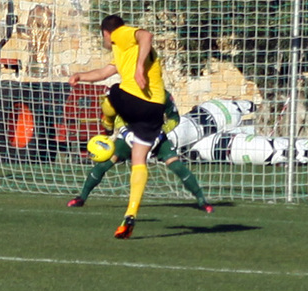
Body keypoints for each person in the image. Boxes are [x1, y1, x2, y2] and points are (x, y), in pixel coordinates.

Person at [68, 14, 170, 239]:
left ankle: (107, 125)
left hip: (137, 102)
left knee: (112, 91)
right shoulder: (124, 51)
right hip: (155, 109)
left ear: (106, 33)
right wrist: (80, 76)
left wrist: (139, 68)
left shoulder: (120, 35)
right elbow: (103, 72)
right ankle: (130, 216)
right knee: (138, 159)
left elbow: (146, 35)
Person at [67, 94, 213, 212]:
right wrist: (124, 132)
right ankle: (81, 197)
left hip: (155, 134)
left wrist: (161, 133)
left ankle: (202, 201)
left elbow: (174, 118)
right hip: (130, 134)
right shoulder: (129, 91)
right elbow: (118, 116)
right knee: (106, 162)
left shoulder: (163, 95)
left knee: (176, 165)